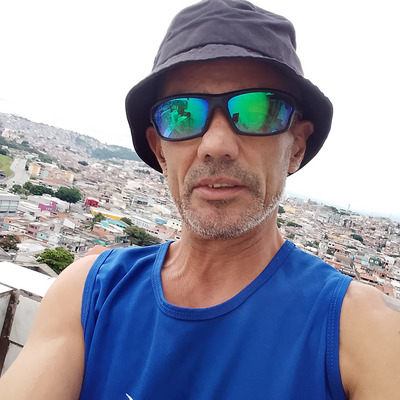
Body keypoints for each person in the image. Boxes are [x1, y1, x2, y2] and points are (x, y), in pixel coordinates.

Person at [1, 1, 399, 399]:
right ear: (159, 150)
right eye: (183, 114)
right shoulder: (88, 295)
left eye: (257, 111)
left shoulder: (362, 332)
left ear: (296, 147)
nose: (216, 144)